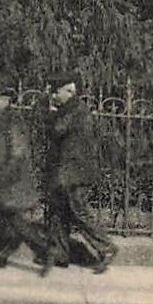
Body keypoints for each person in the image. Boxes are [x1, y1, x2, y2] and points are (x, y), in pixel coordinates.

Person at [39, 76, 117, 275]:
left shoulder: (74, 110)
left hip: (74, 173)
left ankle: (106, 248)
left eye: (57, 92)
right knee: (58, 212)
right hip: (68, 171)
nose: (54, 95)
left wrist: (50, 112)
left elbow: (56, 130)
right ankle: (60, 254)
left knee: (77, 211)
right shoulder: (73, 109)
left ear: (69, 92)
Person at [0, 96, 46, 269]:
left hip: (11, 179)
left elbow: (17, 153)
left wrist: (2, 175)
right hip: (3, 175)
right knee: (0, 216)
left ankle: (42, 249)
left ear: (3, 102)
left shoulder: (12, 123)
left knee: (9, 218)